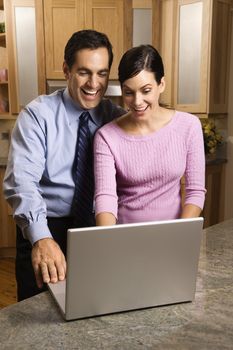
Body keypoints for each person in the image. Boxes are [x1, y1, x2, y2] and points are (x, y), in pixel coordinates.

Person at [3, 30, 125, 301]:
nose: (94, 84)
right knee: (38, 321)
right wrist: (41, 238)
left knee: (95, 313)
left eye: (102, 73)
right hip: (46, 226)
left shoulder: (116, 118)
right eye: (84, 72)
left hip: (97, 228)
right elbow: (21, 182)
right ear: (66, 71)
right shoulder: (37, 115)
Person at [94, 45, 206, 226]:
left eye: (146, 91)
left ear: (161, 84)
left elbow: (195, 191)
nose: (137, 102)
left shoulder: (189, 126)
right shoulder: (106, 137)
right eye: (129, 92)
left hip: (173, 236)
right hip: (125, 237)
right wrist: (108, 240)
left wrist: (181, 233)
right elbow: (105, 198)